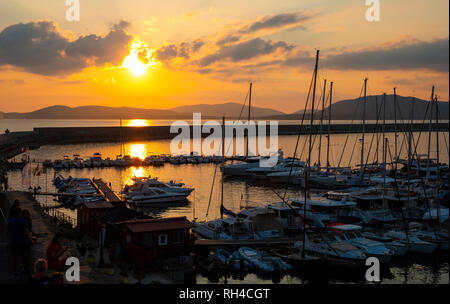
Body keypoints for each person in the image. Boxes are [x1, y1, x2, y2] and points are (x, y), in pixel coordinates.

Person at [7, 207, 32, 276]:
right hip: (23, 241)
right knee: (23, 256)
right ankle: (23, 268)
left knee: (14, 256)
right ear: (20, 213)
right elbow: (26, 232)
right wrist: (30, 239)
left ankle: (14, 270)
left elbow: (8, 232)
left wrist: (10, 240)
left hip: (14, 241)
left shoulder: (11, 221)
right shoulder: (24, 221)